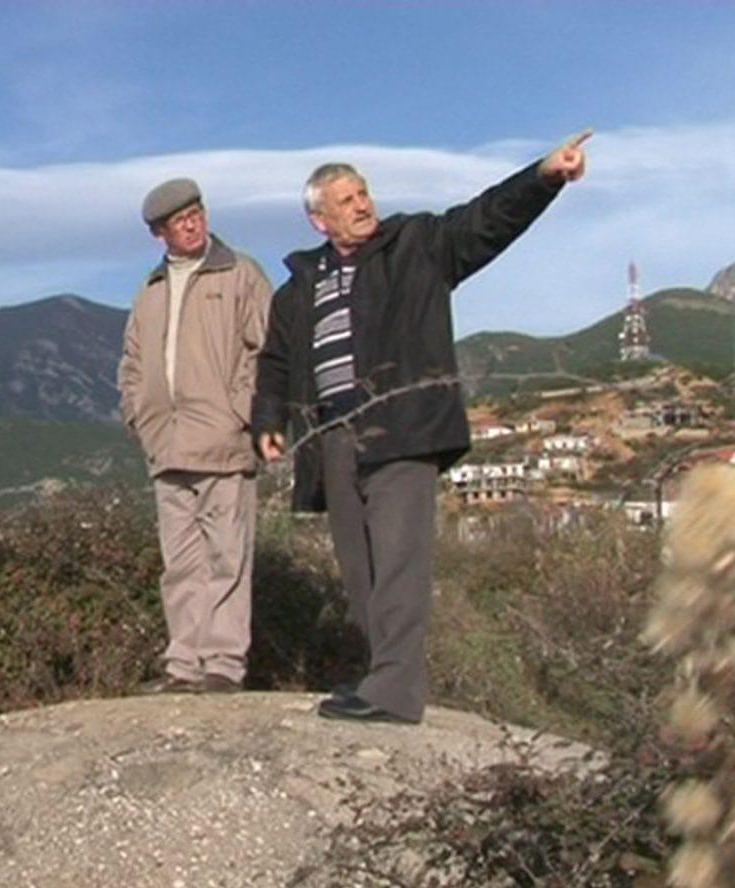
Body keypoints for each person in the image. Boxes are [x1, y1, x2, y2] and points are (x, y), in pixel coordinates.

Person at [252, 131, 592, 723]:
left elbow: (486, 221)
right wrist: (268, 420)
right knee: (360, 571)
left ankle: (397, 692)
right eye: (347, 199)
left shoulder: (419, 246)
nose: (362, 205)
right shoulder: (298, 290)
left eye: (363, 193)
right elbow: (276, 361)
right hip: (333, 439)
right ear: (319, 219)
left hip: (402, 430)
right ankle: (381, 674)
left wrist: (543, 175)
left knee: (400, 561)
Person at [119, 178, 274, 693]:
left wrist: (243, 411)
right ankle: (183, 666)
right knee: (180, 564)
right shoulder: (150, 289)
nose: (192, 223)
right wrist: (138, 415)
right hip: (166, 445)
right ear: (158, 232)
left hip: (223, 441)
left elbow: (268, 350)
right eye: (179, 219)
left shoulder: (240, 273)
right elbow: (133, 362)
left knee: (227, 558)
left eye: (197, 213)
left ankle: (224, 665)